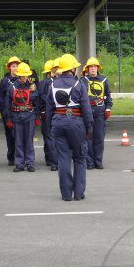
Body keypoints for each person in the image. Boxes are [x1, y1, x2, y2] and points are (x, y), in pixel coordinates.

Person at [46, 54, 93, 201]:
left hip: (58, 123)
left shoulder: (52, 85)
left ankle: (66, 194)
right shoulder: (79, 85)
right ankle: (78, 193)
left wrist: (49, 126)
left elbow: (49, 109)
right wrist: (89, 127)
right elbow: (86, 109)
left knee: (63, 158)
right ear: (72, 69)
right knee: (79, 158)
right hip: (76, 123)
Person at [4, 62, 41, 172]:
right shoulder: (12, 87)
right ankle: (19, 163)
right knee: (18, 141)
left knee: (29, 140)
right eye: (22, 75)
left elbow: (36, 102)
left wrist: (37, 116)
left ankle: (30, 163)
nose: (24, 78)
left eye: (26, 75)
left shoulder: (32, 87)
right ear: (19, 75)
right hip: (16, 116)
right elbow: (7, 104)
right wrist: (8, 119)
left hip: (29, 115)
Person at [81, 57, 113, 169]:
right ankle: (89, 162)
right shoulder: (83, 80)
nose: (93, 69)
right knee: (88, 138)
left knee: (99, 138)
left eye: (95, 67)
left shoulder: (104, 80)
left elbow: (108, 95)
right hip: (88, 113)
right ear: (87, 68)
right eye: (91, 67)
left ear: (97, 68)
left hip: (100, 113)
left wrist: (108, 108)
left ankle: (98, 161)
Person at [0, 56, 20, 166]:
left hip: (20, 112)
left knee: (20, 136)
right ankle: (11, 157)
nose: (15, 68)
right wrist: (4, 113)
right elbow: (1, 97)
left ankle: (20, 157)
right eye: (13, 66)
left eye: (17, 66)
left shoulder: (23, 79)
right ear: (9, 68)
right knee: (10, 136)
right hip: (8, 113)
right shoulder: (5, 81)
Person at [39, 59, 58, 171]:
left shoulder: (43, 82)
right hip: (53, 112)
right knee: (52, 137)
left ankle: (49, 158)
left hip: (46, 112)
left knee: (48, 137)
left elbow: (41, 96)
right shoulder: (53, 82)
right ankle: (53, 159)